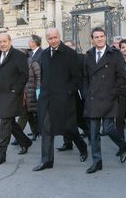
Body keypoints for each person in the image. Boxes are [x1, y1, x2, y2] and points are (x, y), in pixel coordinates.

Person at [33, 28, 88, 171]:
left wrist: (68, 92)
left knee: (69, 129)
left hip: (64, 99)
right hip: (46, 98)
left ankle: (82, 147)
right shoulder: (44, 54)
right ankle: (46, 161)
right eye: (50, 38)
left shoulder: (70, 54)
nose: (53, 40)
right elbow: (43, 75)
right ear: (47, 39)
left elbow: (77, 77)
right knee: (46, 129)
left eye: (55, 37)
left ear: (59, 37)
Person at [83, 27, 126, 174]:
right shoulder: (88, 55)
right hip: (93, 98)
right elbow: (85, 78)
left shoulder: (115, 54)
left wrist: (113, 92)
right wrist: (86, 93)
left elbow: (122, 77)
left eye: (101, 36)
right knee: (94, 132)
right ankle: (97, 162)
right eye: (96, 37)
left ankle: (122, 146)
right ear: (92, 39)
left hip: (109, 97)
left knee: (108, 129)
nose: (99, 39)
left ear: (105, 37)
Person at [0, 33, 32, 165]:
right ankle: (25, 141)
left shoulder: (18, 56)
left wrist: (16, 90)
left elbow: (24, 75)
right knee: (10, 122)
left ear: (10, 41)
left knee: (5, 122)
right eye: (0, 42)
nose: (2, 44)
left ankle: (0, 155)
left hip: (12, 95)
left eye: (4, 41)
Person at [55, 40, 90, 152]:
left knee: (80, 119)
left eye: (70, 46)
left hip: (78, 93)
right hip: (63, 95)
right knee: (65, 121)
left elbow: (85, 75)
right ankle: (67, 143)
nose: (68, 49)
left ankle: (91, 137)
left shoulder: (81, 58)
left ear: (74, 47)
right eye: (66, 47)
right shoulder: (60, 59)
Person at [11, 49, 40, 145]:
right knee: (29, 114)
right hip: (21, 92)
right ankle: (35, 132)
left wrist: (38, 92)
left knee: (23, 115)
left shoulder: (33, 63)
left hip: (30, 92)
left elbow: (39, 77)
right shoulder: (17, 64)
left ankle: (18, 137)